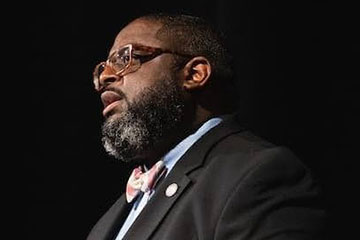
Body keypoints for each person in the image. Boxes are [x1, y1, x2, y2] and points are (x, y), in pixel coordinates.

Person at [86, 12, 325, 240]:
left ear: (194, 74)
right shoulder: (109, 222)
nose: (105, 77)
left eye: (124, 58)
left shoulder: (258, 174)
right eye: (103, 68)